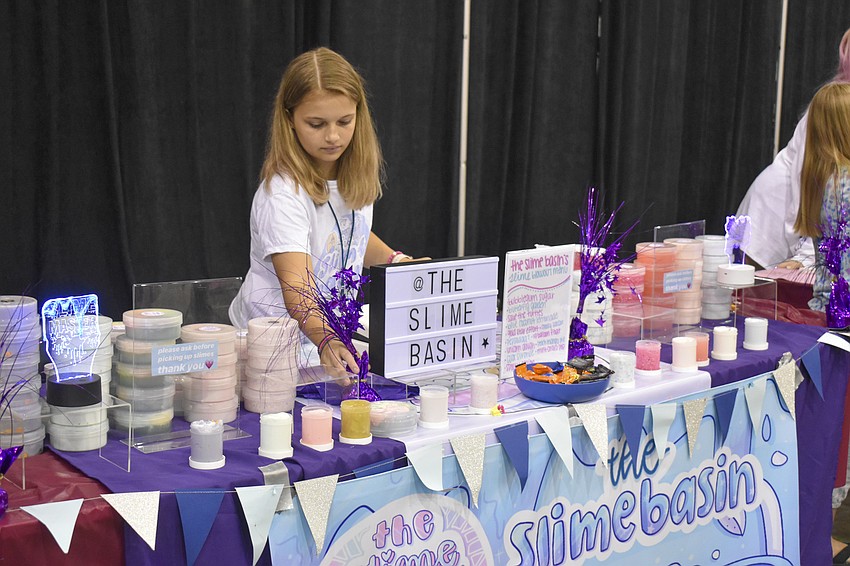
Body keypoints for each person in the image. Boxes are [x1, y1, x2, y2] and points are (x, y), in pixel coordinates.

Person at [229, 47, 424, 373]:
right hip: (274, 350)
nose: (333, 136)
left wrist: (397, 262)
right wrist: (328, 340)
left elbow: (348, 234)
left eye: (344, 121)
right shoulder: (283, 193)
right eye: (316, 124)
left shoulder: (351, 174)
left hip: (326, 342)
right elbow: (299, 291)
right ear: (289, 119)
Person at [792, 81, 850, 564]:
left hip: (833, 319)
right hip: (842, 318)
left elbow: (832, 264)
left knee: (833, 431)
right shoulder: (842, 182)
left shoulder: (825, 181)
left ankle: (821, 533)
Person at [737, 27, 850, 270]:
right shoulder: (829, 109)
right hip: (772, 225)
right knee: (755, 290)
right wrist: (808, 254)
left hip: (809, 233)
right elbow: (810, 184)